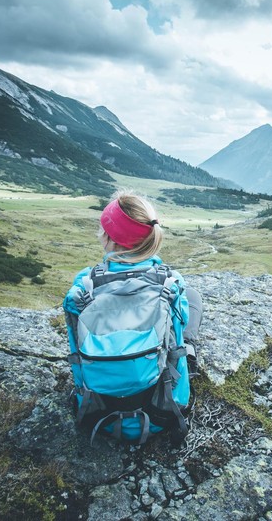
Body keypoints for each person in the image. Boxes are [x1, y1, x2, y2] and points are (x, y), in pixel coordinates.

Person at [63, 189, 201, 442]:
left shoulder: (84, 285)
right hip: (164, 411)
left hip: (97, 414)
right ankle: (190, 354)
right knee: (191, 297)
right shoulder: (171, 282)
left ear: (108, 238)